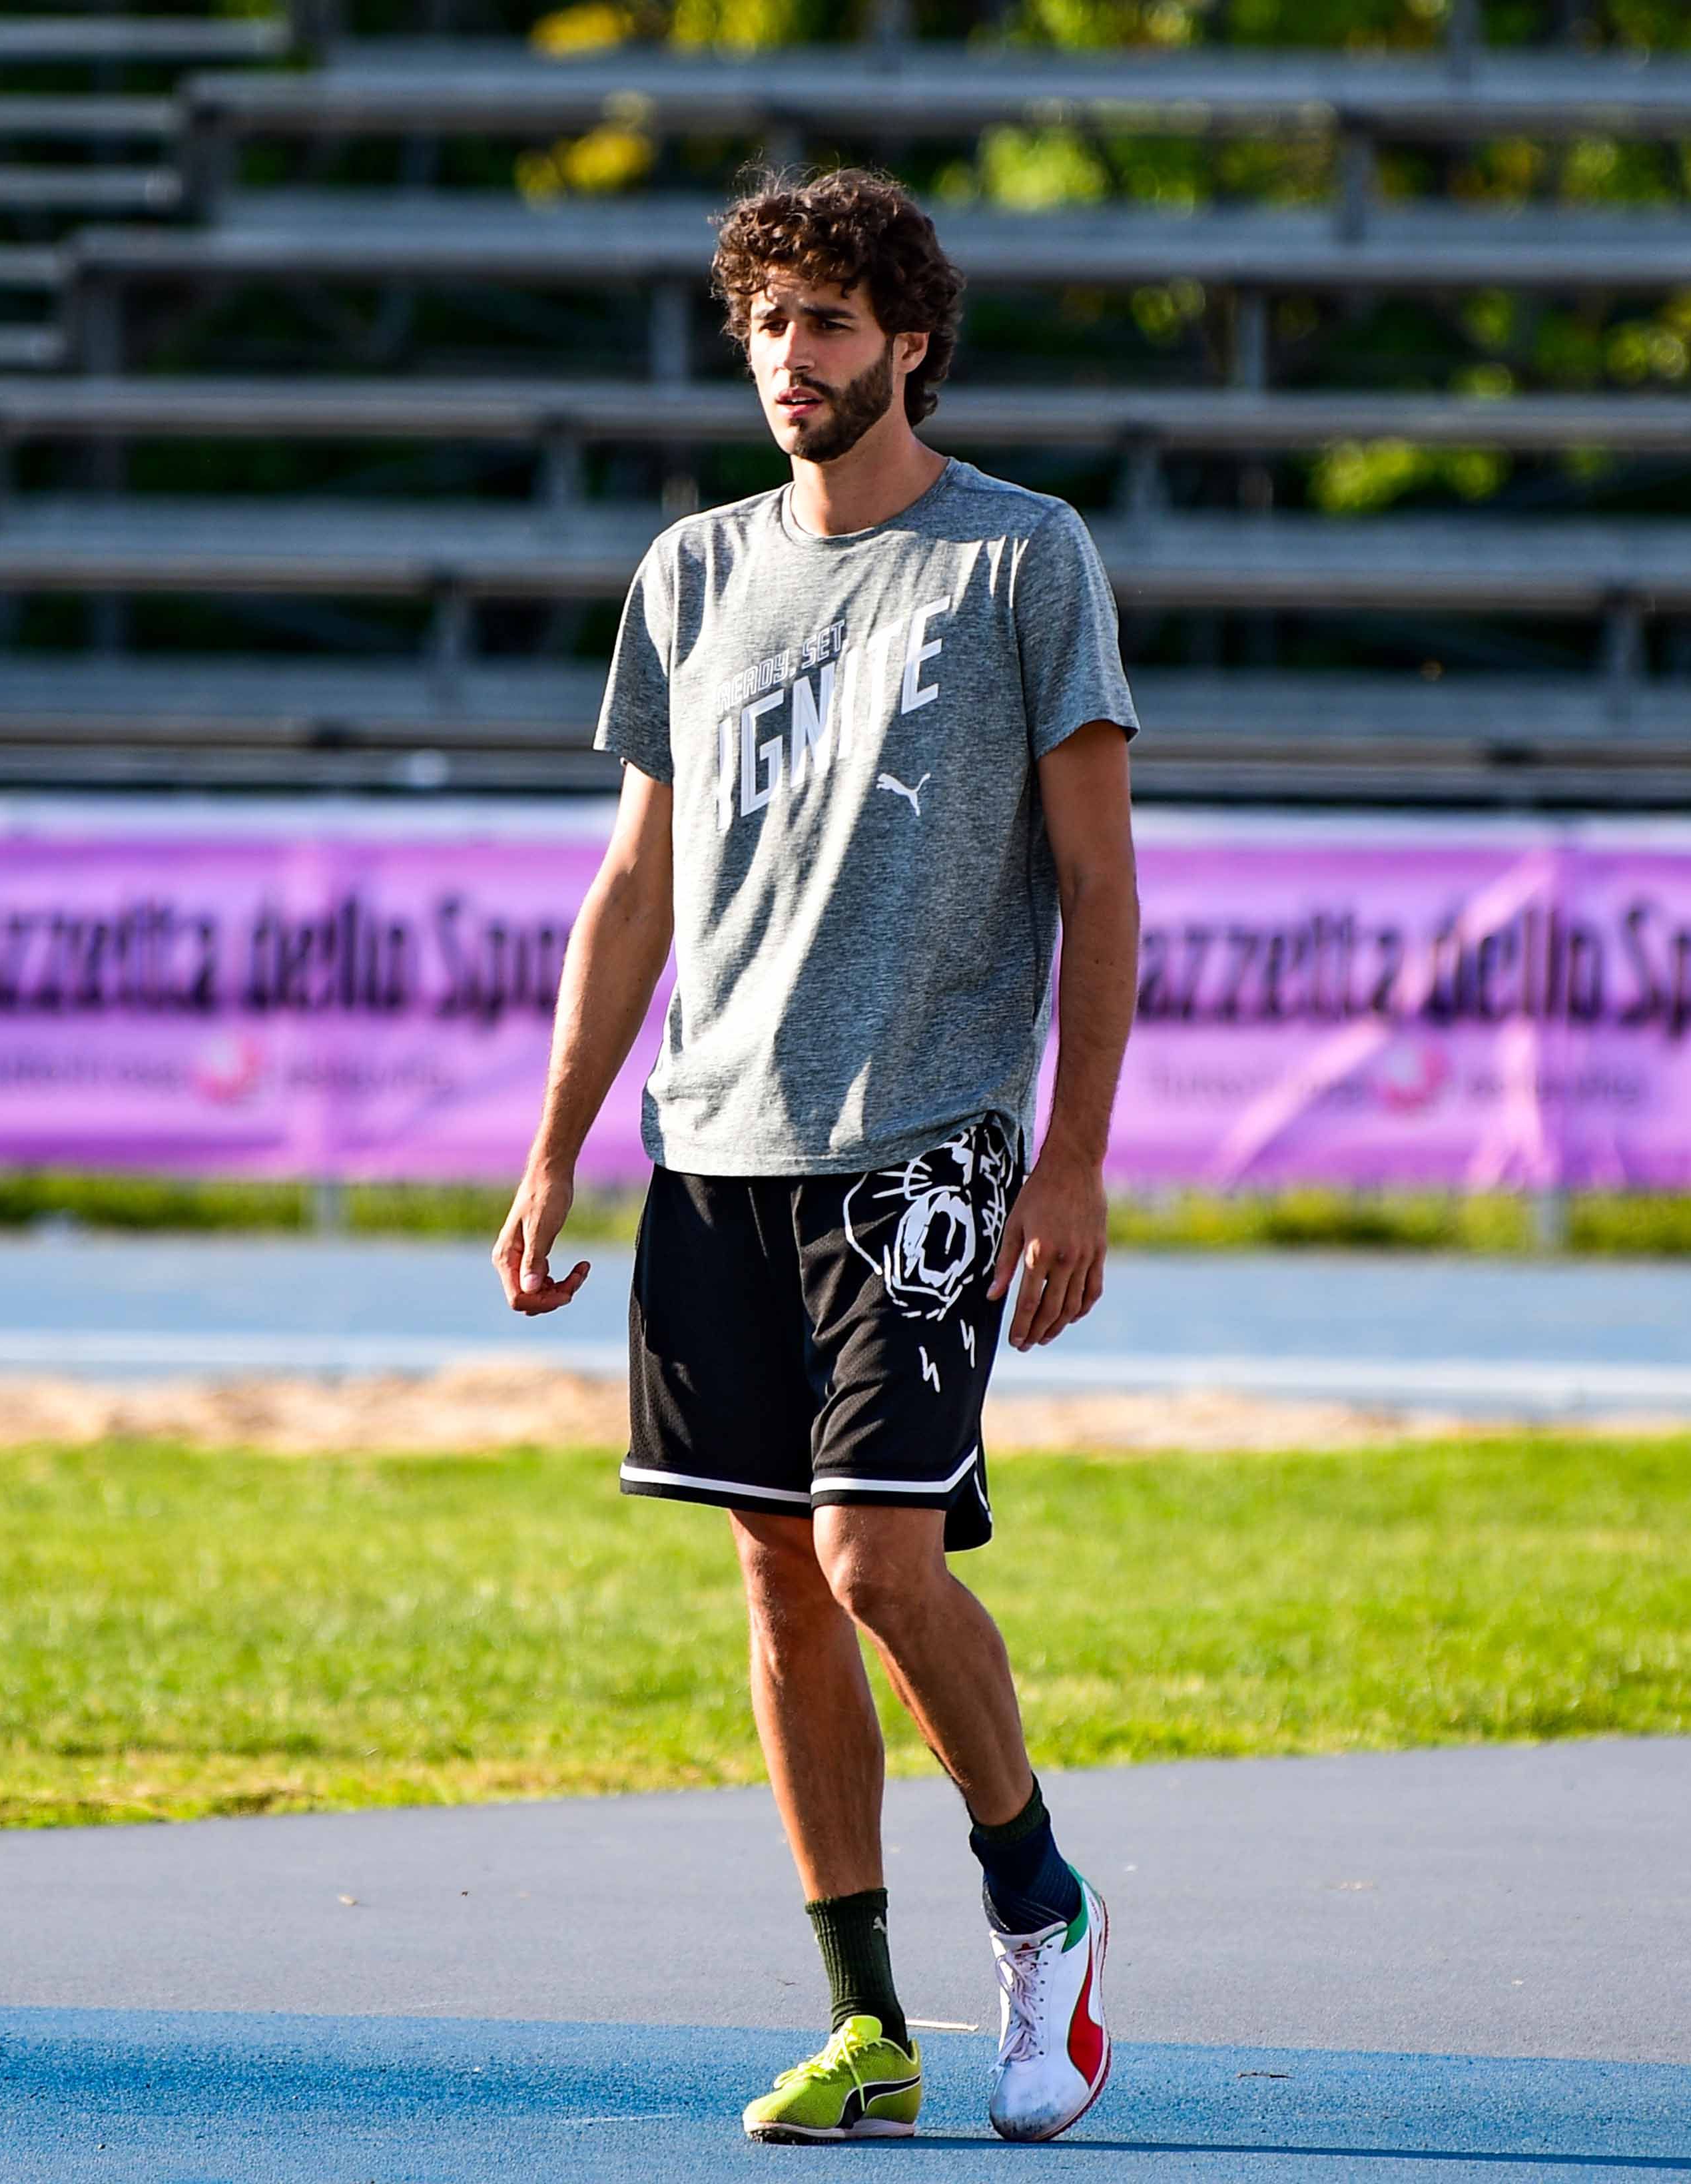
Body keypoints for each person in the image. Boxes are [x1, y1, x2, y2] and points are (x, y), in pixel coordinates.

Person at [491, 166, 1140, 2147]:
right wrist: (554, 1149)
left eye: (832, 323)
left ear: (911, 343)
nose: (794, 357)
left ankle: (1037, 1906)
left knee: (875, 1557)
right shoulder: (690, 573)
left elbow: (1102, 885)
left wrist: (1075, 1162)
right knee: (780, 1582)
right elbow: (634, 889)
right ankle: (867, 2025)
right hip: (715, 1148)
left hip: (923, 1147)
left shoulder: (1021, 560)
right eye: (770, 323)